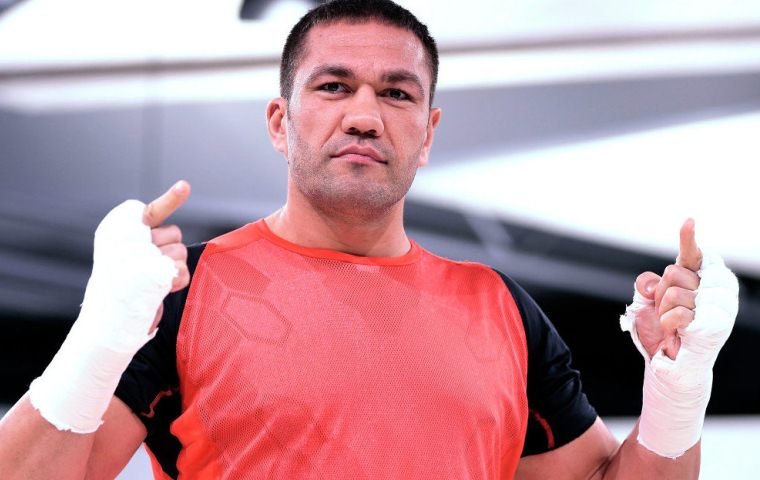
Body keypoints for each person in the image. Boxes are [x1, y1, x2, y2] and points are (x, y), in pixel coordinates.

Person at [0, 0, 739, 478]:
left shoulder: (500, 308)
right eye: (333, 87)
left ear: (428, 133)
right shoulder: (183, 293)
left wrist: (679, 386)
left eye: (396, 93)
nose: (363, 115)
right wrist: (96, 339)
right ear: (280, 122)